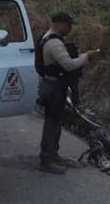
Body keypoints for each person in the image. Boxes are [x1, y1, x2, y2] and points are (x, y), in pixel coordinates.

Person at [36, 11, 99, 174]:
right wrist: (87, 56)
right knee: (51, 123)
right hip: (54, 86)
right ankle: (46, 159)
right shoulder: (54, 43)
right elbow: (69, 65)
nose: (70, 28)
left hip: (52, 84)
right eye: (68, 24)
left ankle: (53, 155)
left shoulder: (47, 38)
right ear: (58, 24)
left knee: (56, 121)